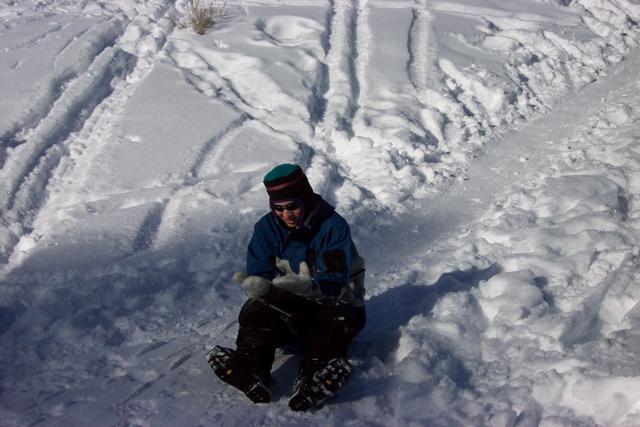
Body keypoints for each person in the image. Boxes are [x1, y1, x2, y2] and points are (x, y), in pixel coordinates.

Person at [207, 163, 366, 411]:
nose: (286, 215)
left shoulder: (332, 226)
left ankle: (315, 373)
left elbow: (336, 281)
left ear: (305, 199)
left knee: (336, 320)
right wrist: (261, 287)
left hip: (337, 306)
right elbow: (260, 271)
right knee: (255, 308)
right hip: (292, 310)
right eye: (278, 209)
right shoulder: (266, 228)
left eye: (292, 206)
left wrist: (309, 287)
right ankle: (252, 365)